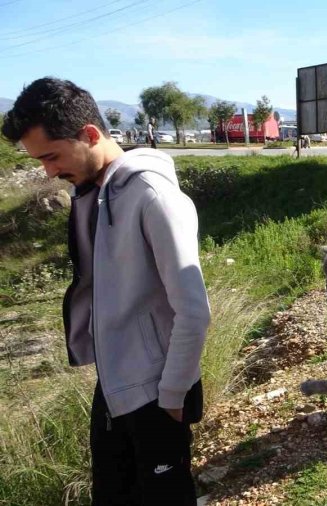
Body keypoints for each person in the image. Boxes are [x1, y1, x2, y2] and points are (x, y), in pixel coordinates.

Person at [1, 78, 210, 504]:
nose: (49, 172)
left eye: (52, 156)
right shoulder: (93, 194)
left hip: (156, 391)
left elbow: (193, 310)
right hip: (115, 384)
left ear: (90, 134)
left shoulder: (153, 196)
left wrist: (171, 397)